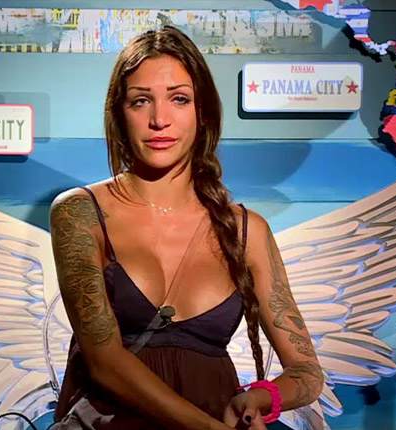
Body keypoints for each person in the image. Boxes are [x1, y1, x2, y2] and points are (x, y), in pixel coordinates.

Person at [50, 26, 324, 429]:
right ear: (118, 114)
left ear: (203, 112)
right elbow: (104, 361)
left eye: (179, 99)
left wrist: (261, 396)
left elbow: (307, 372)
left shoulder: (247, 232)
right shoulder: (79, 212)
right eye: (141, 101)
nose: (159, 120)